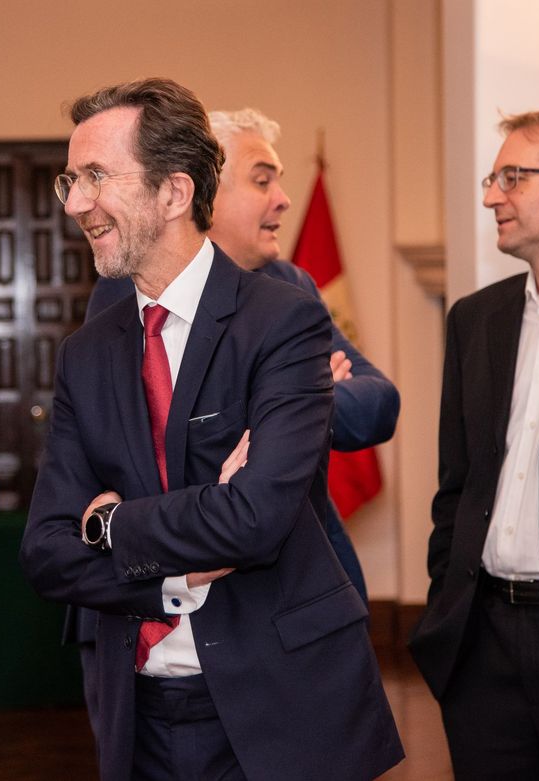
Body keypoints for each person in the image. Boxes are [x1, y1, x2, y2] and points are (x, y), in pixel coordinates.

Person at [19, 78, 402, 780]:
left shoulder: (283, 318)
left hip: (282, 705)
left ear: (174, 192)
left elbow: (256, 520)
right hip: (138, 716)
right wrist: (175, 568)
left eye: (96, 177)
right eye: (70, 181)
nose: (74, 203)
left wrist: (110, 525)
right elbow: (45, 551)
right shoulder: (87, 352)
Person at [86, 107, 400, 601]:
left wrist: (287, 402)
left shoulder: (291, 287)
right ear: (204, 192)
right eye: (262, 180)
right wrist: (297, 392)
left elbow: (378, 405)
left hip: (298, 589)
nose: (283, 199)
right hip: (174, 580)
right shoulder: (128, 292)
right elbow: (133, 436)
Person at [409, 111, 539, 778]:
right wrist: (444, 601)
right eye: (492, 179)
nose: (490, 197)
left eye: (513, 178)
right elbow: (456, 484)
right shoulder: (474, 320)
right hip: (481, 641)